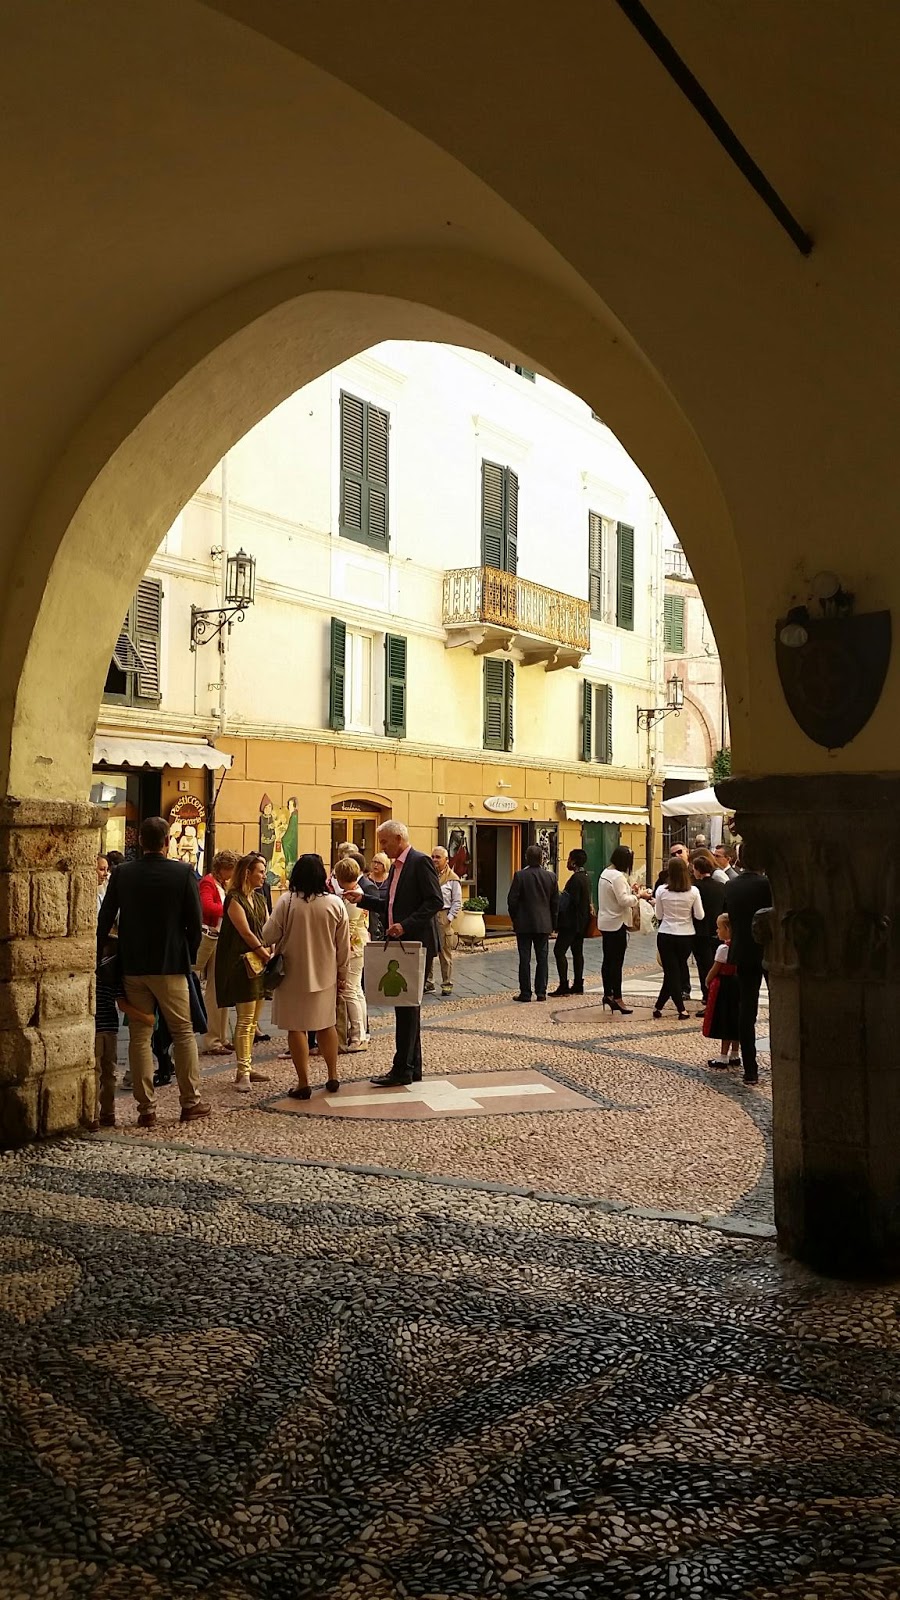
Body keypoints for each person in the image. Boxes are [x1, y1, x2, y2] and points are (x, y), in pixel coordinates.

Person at [96, 815, 210, 1129]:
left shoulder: (123, 873)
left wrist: (103, 956)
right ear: (167, 842)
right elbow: (195, 923)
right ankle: (190, 1101)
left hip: (134, 964)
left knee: (139, 1036)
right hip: (171, 964)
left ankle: (146, 1108)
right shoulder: (183, 873)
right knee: (183, 1033)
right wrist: (187, 955)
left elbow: (106, 918)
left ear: (139, 841)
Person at [350, 820, 443, 1087]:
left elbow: (435, 901)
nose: (381, 847)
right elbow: (390, 905)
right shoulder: (397, 867)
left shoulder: (419, 862)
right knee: (407, 1008)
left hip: (415, 943)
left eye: (384, 841)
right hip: (403, 942)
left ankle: (402, 1069)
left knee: (407, 1008)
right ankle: (412, 1067)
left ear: (399, 838)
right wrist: (363, 899)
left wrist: (406, 925)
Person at [261, 853, 351, 1097]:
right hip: (325, 974)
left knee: (296, 1028)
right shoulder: (335, 904)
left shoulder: (287, 901)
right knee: (326, 1025)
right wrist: (343, 974)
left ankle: (303, 1082)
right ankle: (332, 1075)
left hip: (291, 975)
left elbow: (268, 935)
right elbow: (343, 946)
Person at [214, 852, 273, 1093]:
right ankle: (242, 1071)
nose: (264, 876)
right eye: (260, 871)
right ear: (247, 873)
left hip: (259, 963)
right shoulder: (234, 899)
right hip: (243, 964)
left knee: (253, 1020)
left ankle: (247, 1067)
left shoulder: (258, 898)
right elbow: (245, 931)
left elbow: (267, 925)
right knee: (245, 1019)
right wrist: (264, 952)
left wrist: (271, 948)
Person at [724, 844, 772, 1086]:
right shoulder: (768, 885)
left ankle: (750, 1069)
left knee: (746, 1009)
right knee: (778, 1005)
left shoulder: (731, 885)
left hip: (742, 950)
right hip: (768, 949)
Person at [196, 848, 238, 1056]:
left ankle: (221, 1036)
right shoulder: (208, 882)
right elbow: (206, 907)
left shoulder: (221, 884)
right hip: (210, 937)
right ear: (222, 868)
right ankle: (212, 1039)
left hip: (220, 938)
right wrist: (231, 909)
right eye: (231, 869)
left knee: (221, 988)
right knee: (213, 990)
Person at [595, 845, 645, 1014]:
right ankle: (617, 997)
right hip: (616, 922)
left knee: (608, 960)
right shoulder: (617, 877)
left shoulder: (605, 873)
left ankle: (607, 994)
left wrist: (630, 890)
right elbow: (624, 901)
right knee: (616, 962)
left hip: (605, 921)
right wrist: (638, 896)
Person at [653, 854, 703, 1020]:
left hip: (666, 933)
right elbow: (700, 915)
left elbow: (658, 915)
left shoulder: (661, 890)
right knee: (675, 970)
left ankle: (670, 1007)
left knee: (671, 972)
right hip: (686, 935)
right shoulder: (693, 891)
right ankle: (670, 1007)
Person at [507, 844, 559, 1003]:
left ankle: (525, 992)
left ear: (526, 858)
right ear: (542, 858)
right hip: (543, 923)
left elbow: (512, 900)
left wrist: (515, 918)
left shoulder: (520, 876)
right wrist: (553, 923)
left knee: (525, 959)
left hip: (524, 923)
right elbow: (555, 903)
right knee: (542, 958)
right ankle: (541, 992)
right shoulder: (551, 877)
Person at [333, 855, 370, 1051]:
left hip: (353, 947)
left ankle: (358, 1036)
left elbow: (346, 926)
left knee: (349, 991)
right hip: (360, 943)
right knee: (356, 990)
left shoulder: (351, 897)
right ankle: (362, 1032)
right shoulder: (357, 891)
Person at [702, 912, 741, 1069]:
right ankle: (735, 1053)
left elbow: (715, 968)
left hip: (724, 987)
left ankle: (723, 1056)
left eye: (719, 928)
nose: (717, 931)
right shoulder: (738, 946)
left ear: (727, 929)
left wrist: (707, 979)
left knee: (725, 1020)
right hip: (737, 985)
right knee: (735, 1019)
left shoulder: (723, 948)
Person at [552, 848, 593, 997]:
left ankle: (564, 984)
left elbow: (568, 902)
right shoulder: (586, 877)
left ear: (574, 862)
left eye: (569, 859)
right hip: (581, 922)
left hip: (570, 923)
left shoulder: (575, 879)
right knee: (577, 952)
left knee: (559, 951)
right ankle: (578, 983)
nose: (567, 862)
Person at [691, 850, 726, 1013]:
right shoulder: (721, 887)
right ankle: (717, 995)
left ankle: (707, 996)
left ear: (698, 870)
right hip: (717, 930)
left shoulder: (695, 888)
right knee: (716, 964)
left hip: (699, 932)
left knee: (704, 966)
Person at [425, 845, 462, 994]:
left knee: (445, 952)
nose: (434, 860)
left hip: (443, 914)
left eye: (438, 857)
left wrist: (449, 918)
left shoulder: (453, 879)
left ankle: (447, 983)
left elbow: (457, 902)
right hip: (429, 914)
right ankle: (429, 982)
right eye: (433, 856)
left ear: (446, 860)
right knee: (428, 949)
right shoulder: (427, 874)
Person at [359, 851, 389, 942]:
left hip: (386, 916)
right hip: (371, 917)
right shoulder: (366, 879)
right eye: (374, 862)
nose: (376, 865)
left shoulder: (390, 879)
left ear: (385, 865)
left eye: (379, 863)